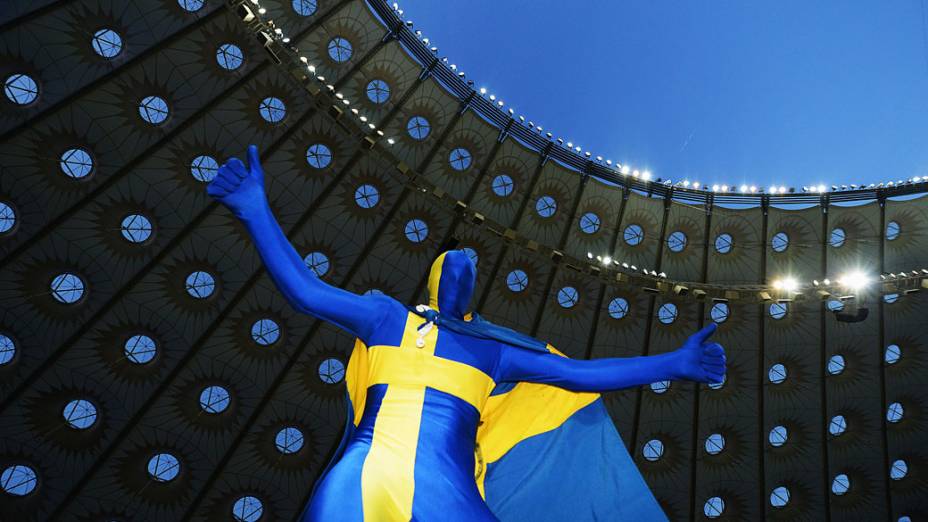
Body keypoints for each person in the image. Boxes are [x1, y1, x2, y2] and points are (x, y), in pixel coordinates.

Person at [208, 146, 727, 522]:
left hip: (452, 494)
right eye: (452, 262)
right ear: (433, 275)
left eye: (472, 266)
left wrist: (671, 364)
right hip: (367, 474)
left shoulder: (494, 351)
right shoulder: (385, 317)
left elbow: (578, 374)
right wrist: (256, 211)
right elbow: (306, 291)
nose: (463, 265)